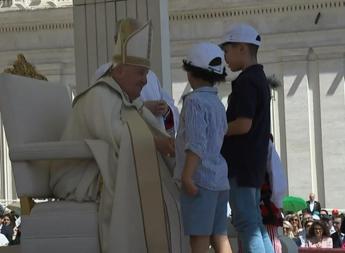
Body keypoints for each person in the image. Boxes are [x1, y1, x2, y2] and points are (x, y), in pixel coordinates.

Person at [50, 18, 188, 253]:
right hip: (79, 176)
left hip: (98, 169)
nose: (145, 81)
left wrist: (168, 143)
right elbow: (119, 136)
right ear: (120, 70)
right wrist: (157, 143)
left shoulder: (125, 98)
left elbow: (150, 129)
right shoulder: (99, 96)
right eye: (141, 73)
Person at [220, 23, 273, 253]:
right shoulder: (259, 77)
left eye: (227, 51)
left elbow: (243, 124)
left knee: (246, 223)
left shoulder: (246, 81)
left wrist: (217, 129)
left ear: (242, 48)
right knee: (255, 223)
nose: (225, 58)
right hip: (253, 164)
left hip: (241, 164)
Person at [174, 42, 231, 253]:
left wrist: (187, 176)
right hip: (219, 179)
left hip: (199, 180)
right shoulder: (217, 103)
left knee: (199, 238)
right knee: (220, 236)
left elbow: (196, 143)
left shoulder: (194, 102)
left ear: (191, 73)